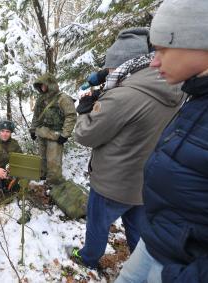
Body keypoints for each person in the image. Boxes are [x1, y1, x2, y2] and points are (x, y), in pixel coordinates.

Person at [66, 27, 185, 270]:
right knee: (137, 229)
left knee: (98, 225)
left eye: (111, 68)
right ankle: (140, 267)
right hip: (144, 181)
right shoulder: (173, 88)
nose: (108, 72)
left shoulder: (123, 96)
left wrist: (86, 110)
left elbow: (84, 134)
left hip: (112, 182)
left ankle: (88, 258)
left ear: (124, 65)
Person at [115, 1, 208, 282]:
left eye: (161, 49)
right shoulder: (196, 97)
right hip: (159, 241)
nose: (153, 61)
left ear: (200, 43)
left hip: (180, 266)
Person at [29, 73, 76, 185]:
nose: (42, 87)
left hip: (56, 135)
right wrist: (32, 130)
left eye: (44, 85)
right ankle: (42, 178)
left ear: (50, 84)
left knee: (53, 163)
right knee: (42, 160)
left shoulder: (63, 98)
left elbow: (71, 116)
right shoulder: (41, 99)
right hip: (42, 133)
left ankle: (54, 184)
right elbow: (36, 116)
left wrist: (65, 134)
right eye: (40, 85)